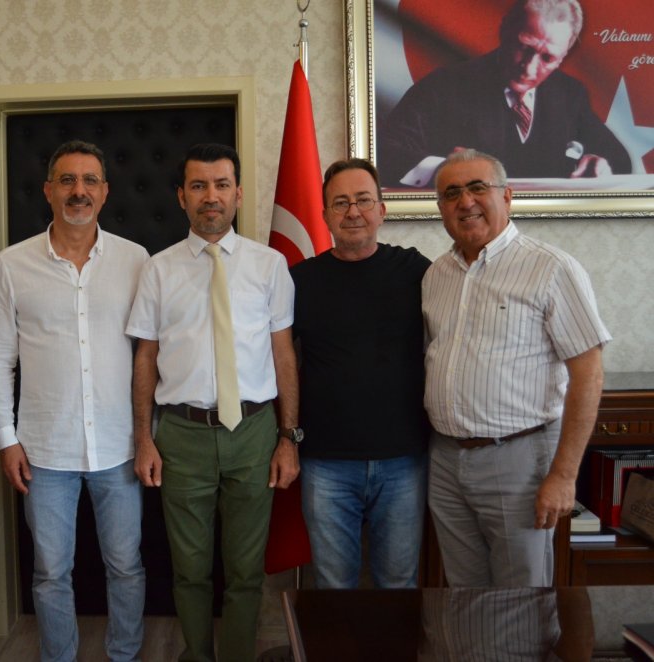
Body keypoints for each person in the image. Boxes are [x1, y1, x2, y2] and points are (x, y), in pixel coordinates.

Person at [128, 143, 299, 661]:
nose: (211, 196)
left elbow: (283, 355)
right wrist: (144, 439)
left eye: (221, 185)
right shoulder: (158, 270)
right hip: (181, 436)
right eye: (198, 186)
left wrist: (288, 438)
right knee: (190, 569)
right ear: (182, 196)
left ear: (238, 194)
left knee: (246, 572)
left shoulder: (270, 266)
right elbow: (145, 358)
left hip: (254, 433)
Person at [0, 140, 149, 662]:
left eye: (90, 180)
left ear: (105, 191)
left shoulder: (136, 260)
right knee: (50, 572)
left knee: (126, 566)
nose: (79, 190)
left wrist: (148, 436)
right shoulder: (12, 265)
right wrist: (6, 440)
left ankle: (124, 655)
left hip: (119, 447)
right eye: (68, 180)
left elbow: (150, 354)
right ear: (48, 190)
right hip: (43, 452)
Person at [424, 148, 611, 587]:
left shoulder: (551, 268)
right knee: (464, 595)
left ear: (506, 196)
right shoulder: (436, 275)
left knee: (521, 599)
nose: (465, 201)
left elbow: (589, 374)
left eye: (477, 187)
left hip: (519, 461)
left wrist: (563, 475)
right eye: (451, 193)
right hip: (446, 460)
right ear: (441, 207)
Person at [291, 158, 431, 589]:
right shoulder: (300, 280)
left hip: (403, 461)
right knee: (333, 587)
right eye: (341, 202)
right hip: (325, 462)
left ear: (382, 210)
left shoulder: (417, 272)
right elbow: (279, 362)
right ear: (325, 215)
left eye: (364, 200)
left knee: (399, 584)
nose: (353, 211)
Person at [379, 0, 630, 187]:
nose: (529, 68)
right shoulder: (444, 86)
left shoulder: (569, 94)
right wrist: (443, 169)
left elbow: (618, 158)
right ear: (504, 30)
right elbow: (386, 153)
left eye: (547, 58)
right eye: (524, 47)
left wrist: (601, 164)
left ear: (564, 55)